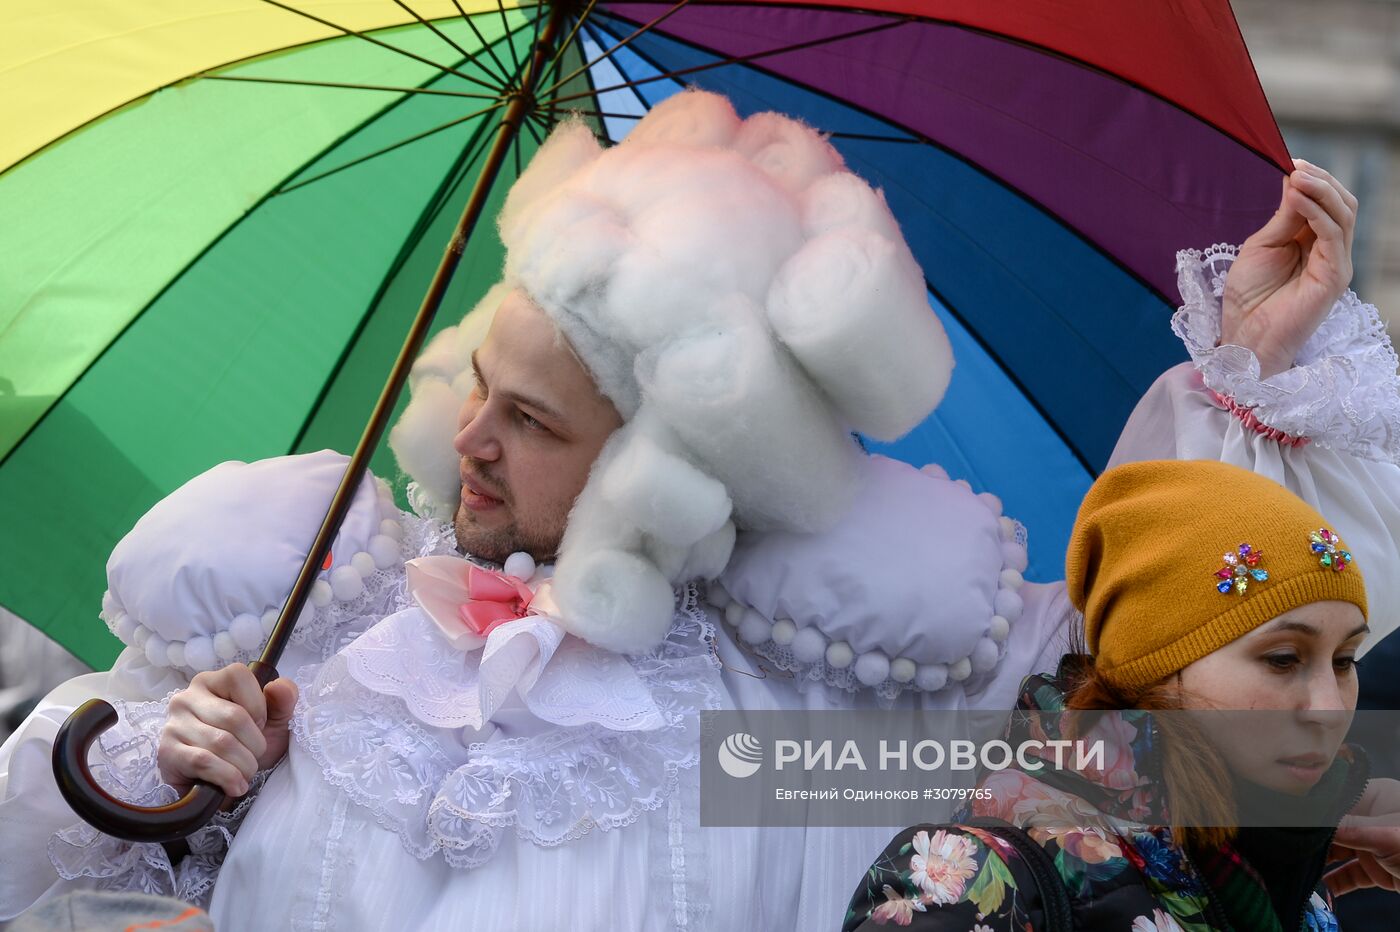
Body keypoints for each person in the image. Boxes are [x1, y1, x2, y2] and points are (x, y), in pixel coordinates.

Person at [2, 89, 1400, 929]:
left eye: (534, 422)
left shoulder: (796, 706)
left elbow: (1176, 668)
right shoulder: (330, 603)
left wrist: (1247, 375)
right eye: (477, 385)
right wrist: (169, 774)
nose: (470, 441)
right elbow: (35, 862)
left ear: (667, 461)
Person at [843, 459, 1388, 931]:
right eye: (1283, 659)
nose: (1329, 707)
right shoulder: (978, 882)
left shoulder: (1298, 876)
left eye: (1344, 661)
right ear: (1153, 663)